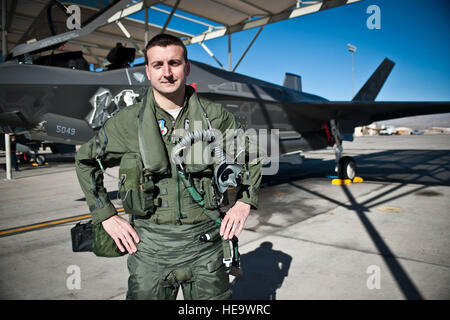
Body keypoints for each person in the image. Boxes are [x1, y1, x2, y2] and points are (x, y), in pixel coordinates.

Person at [75, 34, 262, 300]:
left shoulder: (215, 117)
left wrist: (244, 202)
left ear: (186, 67)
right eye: (158, 64)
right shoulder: (127, 122)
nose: (167, 73)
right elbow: (85, 160)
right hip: (150, 250)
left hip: (205, 246)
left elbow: (252, 155)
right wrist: (105, 214)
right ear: (147, 71)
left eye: (174, 63)